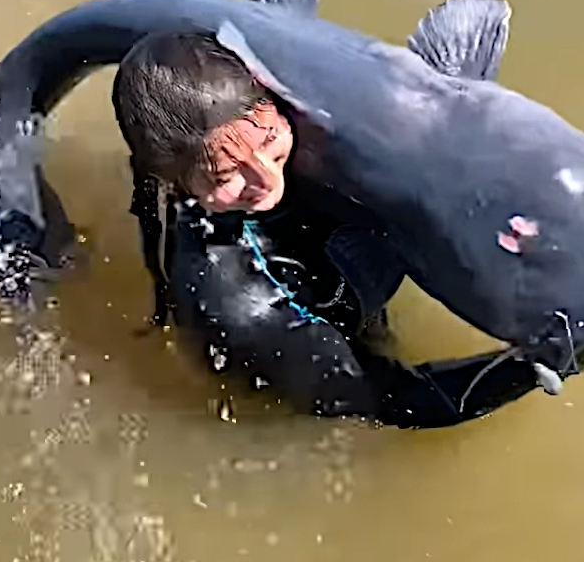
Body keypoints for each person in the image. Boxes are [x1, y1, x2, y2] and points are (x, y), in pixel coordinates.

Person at [112, 30, 541, 428]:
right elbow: (396, 401)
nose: (266, 179)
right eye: (226, 176)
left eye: (268, 141)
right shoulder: (235, 305)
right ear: (174, 178)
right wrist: (530, 366)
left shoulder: (296, 118)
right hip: (277, 365)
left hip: (326, 271)